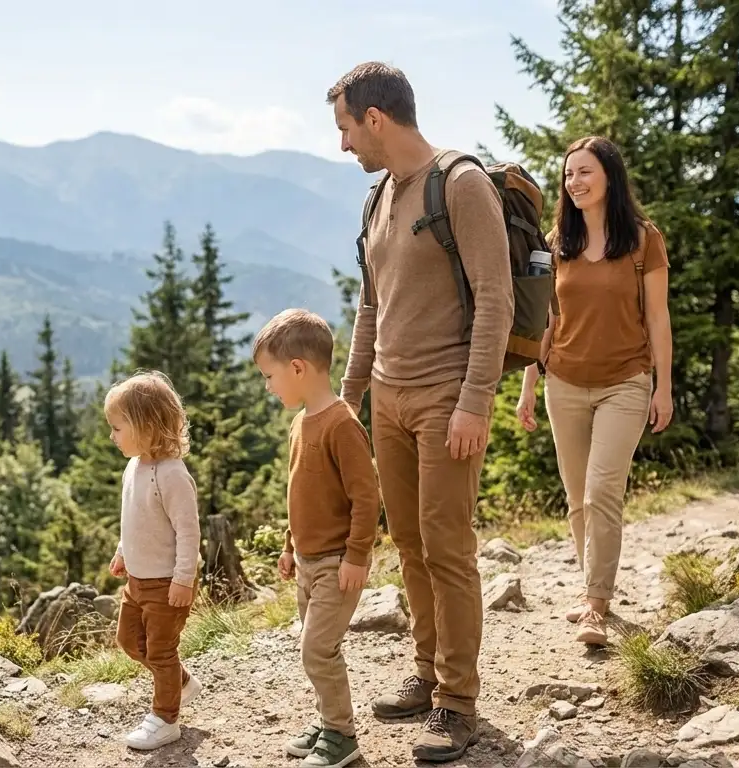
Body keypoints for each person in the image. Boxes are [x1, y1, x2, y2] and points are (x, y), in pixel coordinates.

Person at [328, 61, 514, 763]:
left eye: (346, 127)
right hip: (389, 400)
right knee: (407, 544)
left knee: (447, 545)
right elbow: (370, 309)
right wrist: (348, 402)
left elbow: (495, 298)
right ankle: (430, 672)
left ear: (376, 117)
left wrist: (475, 402)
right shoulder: (380, 198)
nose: (344, 144)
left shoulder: (460, 183)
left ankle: (458, 703)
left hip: (446, 400)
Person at [515, 135, 674, 646]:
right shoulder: (556, 241)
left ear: (609, 177)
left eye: (585, 172)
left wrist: (664, 387)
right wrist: (528, 385)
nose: (574, 182)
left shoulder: (644, 240)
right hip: (563, 381)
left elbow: (658, 318)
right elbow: (544, 318)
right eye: (568, 175)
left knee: (603, 490)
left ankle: (596, 606)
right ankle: (591, 589)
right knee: (577, 497)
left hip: (626, 381)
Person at [252, 308, 379, 768]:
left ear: (298, 368)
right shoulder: (300, 423)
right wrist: (289, 547)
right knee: (317, 647)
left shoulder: (342, 425)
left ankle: (342, 735)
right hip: (307, 562)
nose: (269, 386)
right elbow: (298, 494)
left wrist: (357, 556)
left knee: (316, 649)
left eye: (270, 376)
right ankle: (328, 721)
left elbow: (367, 498)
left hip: (337, 564)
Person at [105, 370, 203, 751]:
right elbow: (133, 518)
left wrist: (183, 578)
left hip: (166, 583)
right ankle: (180, 683)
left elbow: (188, 532)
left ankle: (166, 718)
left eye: (117, 427)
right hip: (138, 580)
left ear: (146, 426)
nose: (112, 436)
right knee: (129, 641)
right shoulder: (134, 466)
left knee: (161, 651)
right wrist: (122, 552)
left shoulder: (173, 475)